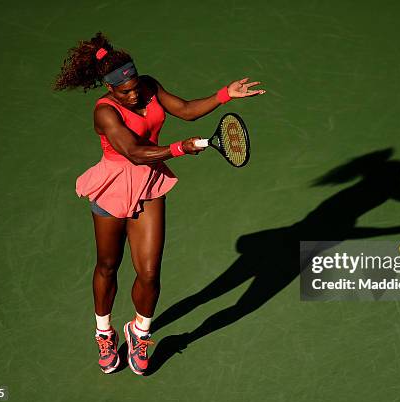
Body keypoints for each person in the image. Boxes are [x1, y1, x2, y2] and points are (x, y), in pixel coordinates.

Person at [53, 32, 265, 375]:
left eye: (135, 85)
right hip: (113, 187)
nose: (134, 93)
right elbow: (134, 153)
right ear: (110, 90)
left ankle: (140, 332)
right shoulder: (105, 113)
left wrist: (225, 94)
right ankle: (103, 333)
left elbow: (185, 110)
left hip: (150, 185)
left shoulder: (149, 86)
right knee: (108, 265)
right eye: (126, 91)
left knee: (149, 273)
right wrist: (179, 148)